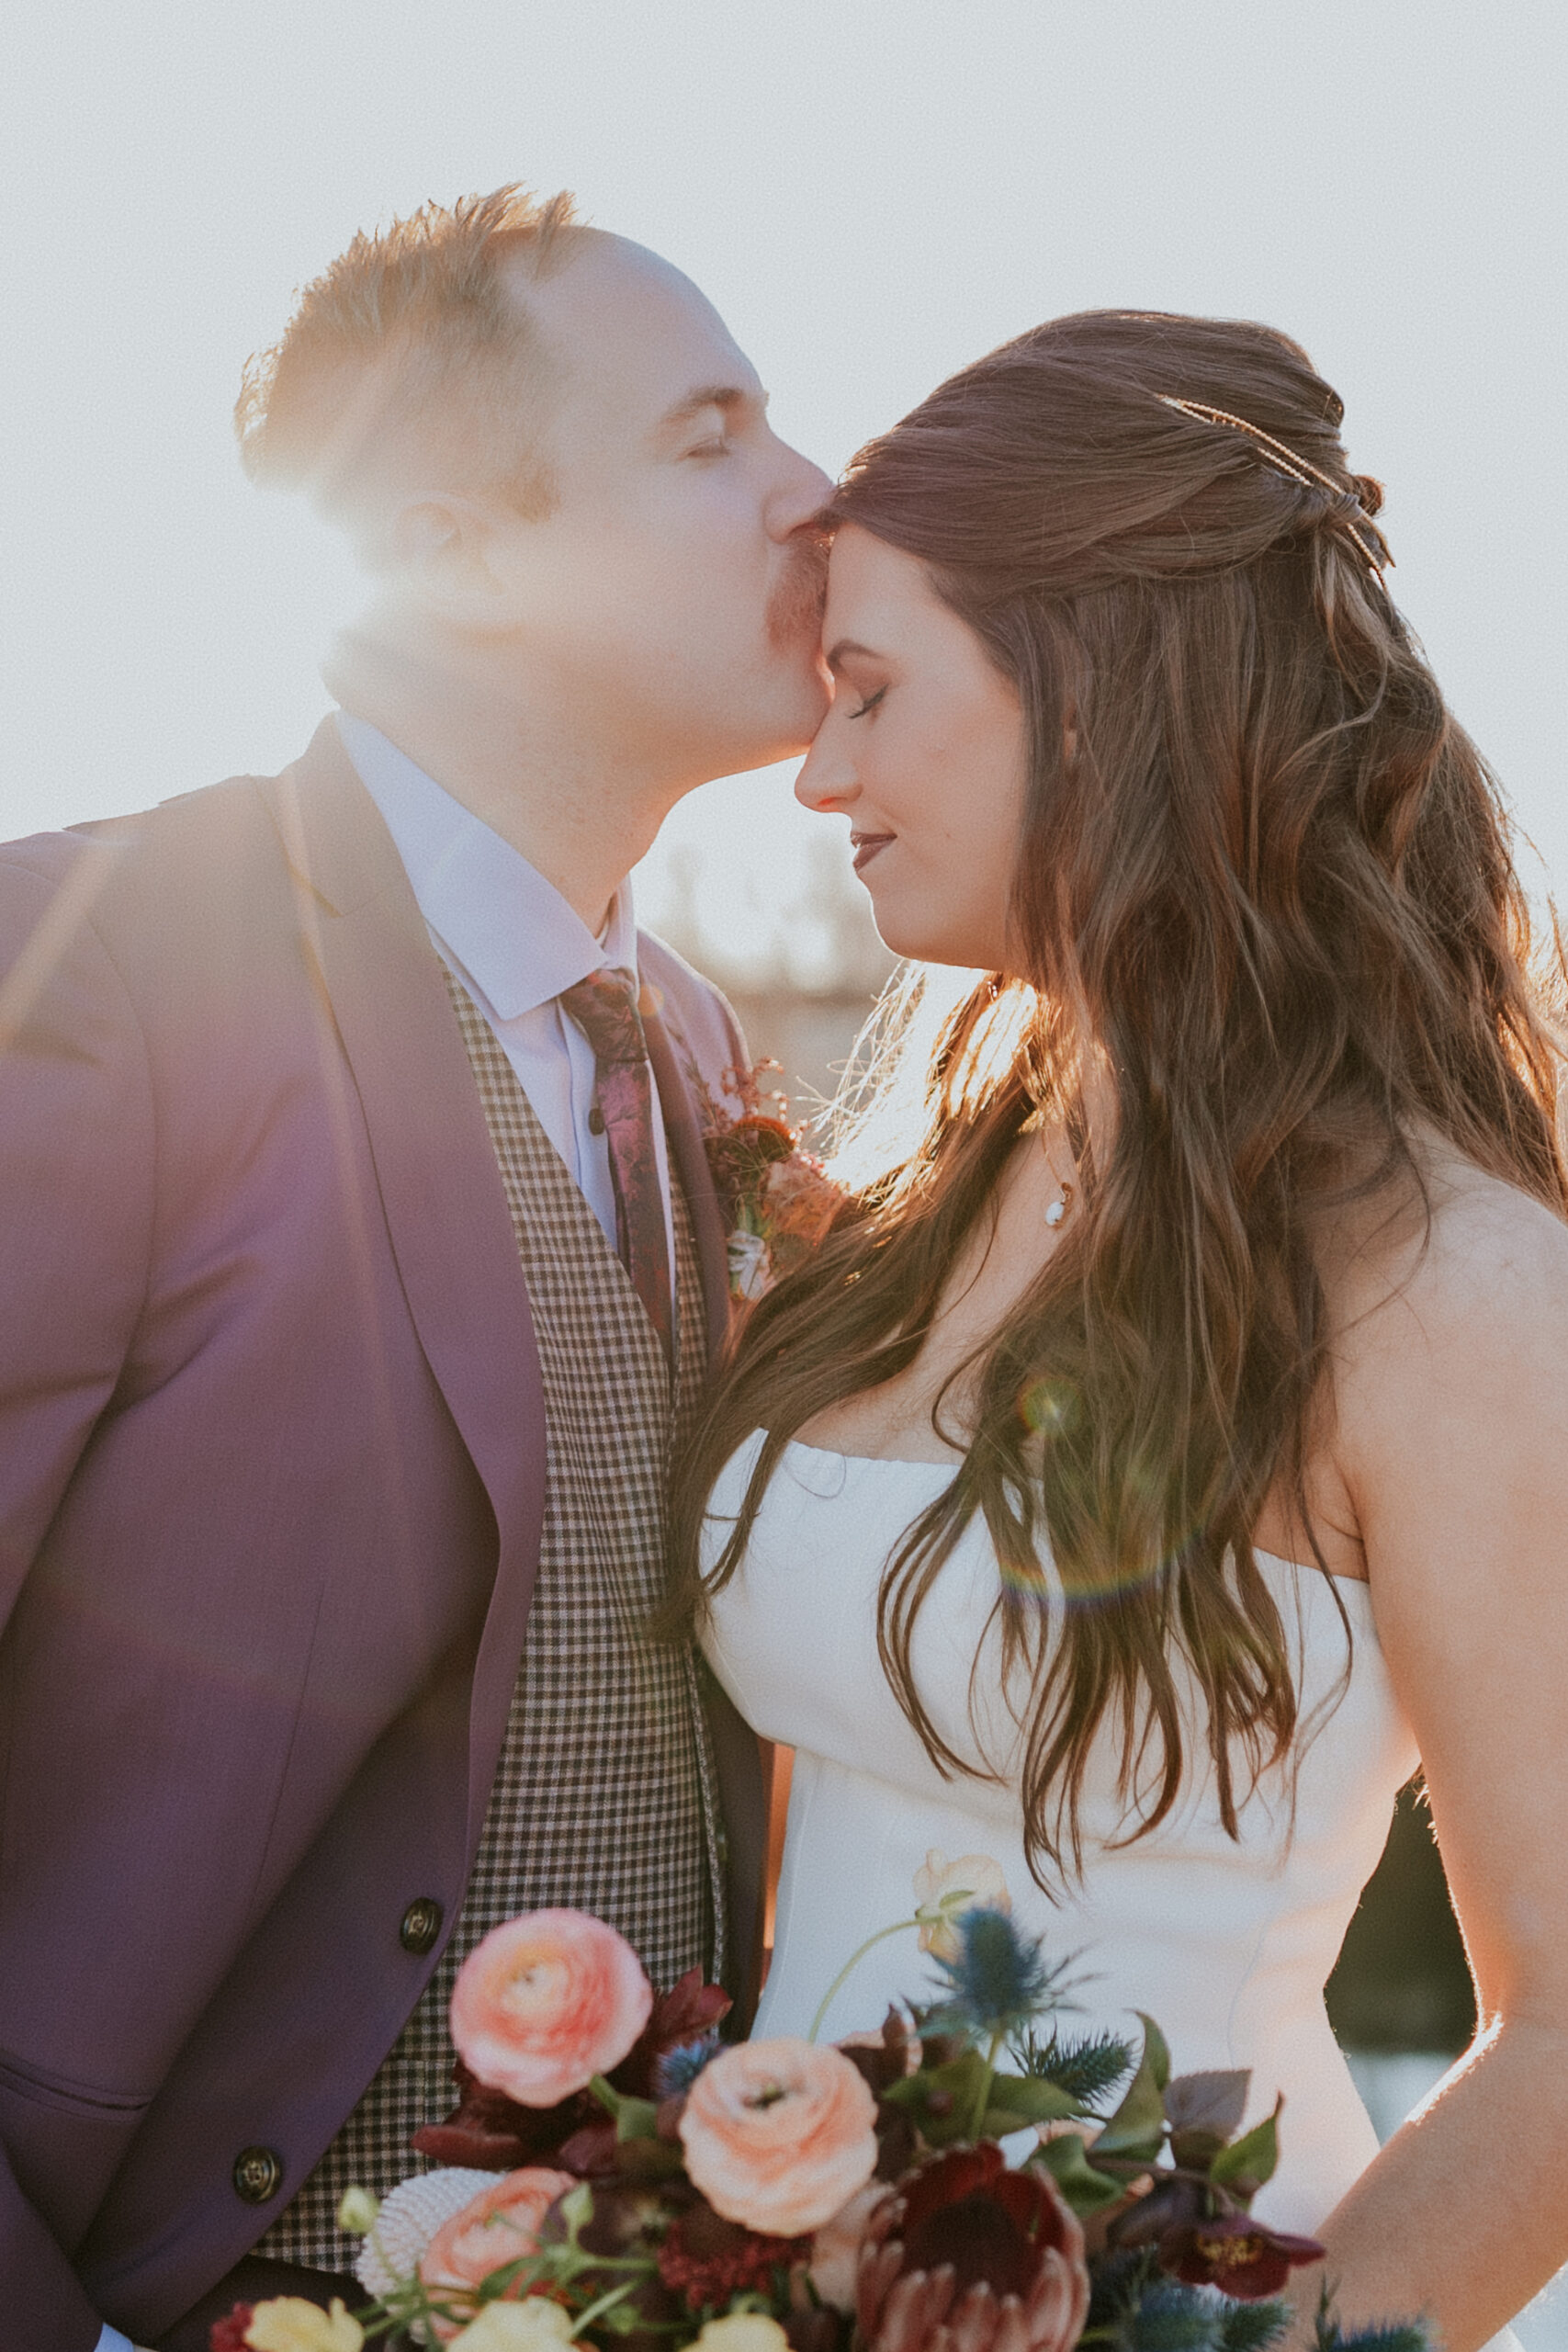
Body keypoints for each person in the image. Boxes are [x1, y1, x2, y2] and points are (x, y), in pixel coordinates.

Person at [677, 311, 1568, 2350]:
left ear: (1087, 693)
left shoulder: (1443, 1280)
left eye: (872, 692)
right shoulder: (915, 1195)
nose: (819, 772)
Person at [0, 185, 830, 2350]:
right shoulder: (100, 964)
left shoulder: (709, 1045)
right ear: (457, 546)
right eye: (708, 433)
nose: (814, 493)